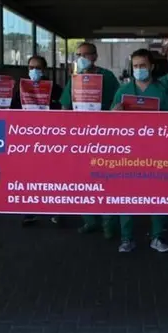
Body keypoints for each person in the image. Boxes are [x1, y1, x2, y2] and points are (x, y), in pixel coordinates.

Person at [111, 49, 168, 254]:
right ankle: (127, 238)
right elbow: (110, 122)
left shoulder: (163, 91)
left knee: (156, 195)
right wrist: (115, 113)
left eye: (142, 66)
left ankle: (157, 236)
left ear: (152, 67)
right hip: (128, 151)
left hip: (156, 151)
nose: (138, 70)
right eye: (135, 66)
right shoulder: (123, 91)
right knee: (127, 195)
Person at [60, 42, 119, 236]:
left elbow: (118, 104)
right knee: (83, 179)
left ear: (95, 56)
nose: (82, 58)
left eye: (85, 54)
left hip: (104, 136)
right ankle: (89, 220)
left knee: (104, 180)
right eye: (78, 55)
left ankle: (108, 223)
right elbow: (65, 107)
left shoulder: (108, 77)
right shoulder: (75, 79)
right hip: (80, 137)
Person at [10, 55, 63, 226]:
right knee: (29, 175)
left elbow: (62, 112)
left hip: (50, 137)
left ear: (44, 69)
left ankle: (55, 211)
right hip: (28, 138)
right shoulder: (20, 89)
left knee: (53, 175)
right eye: (31, 67)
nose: (34, 71)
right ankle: (30, 211)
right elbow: (13, 111)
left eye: (38, 68)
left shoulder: (55, 88)